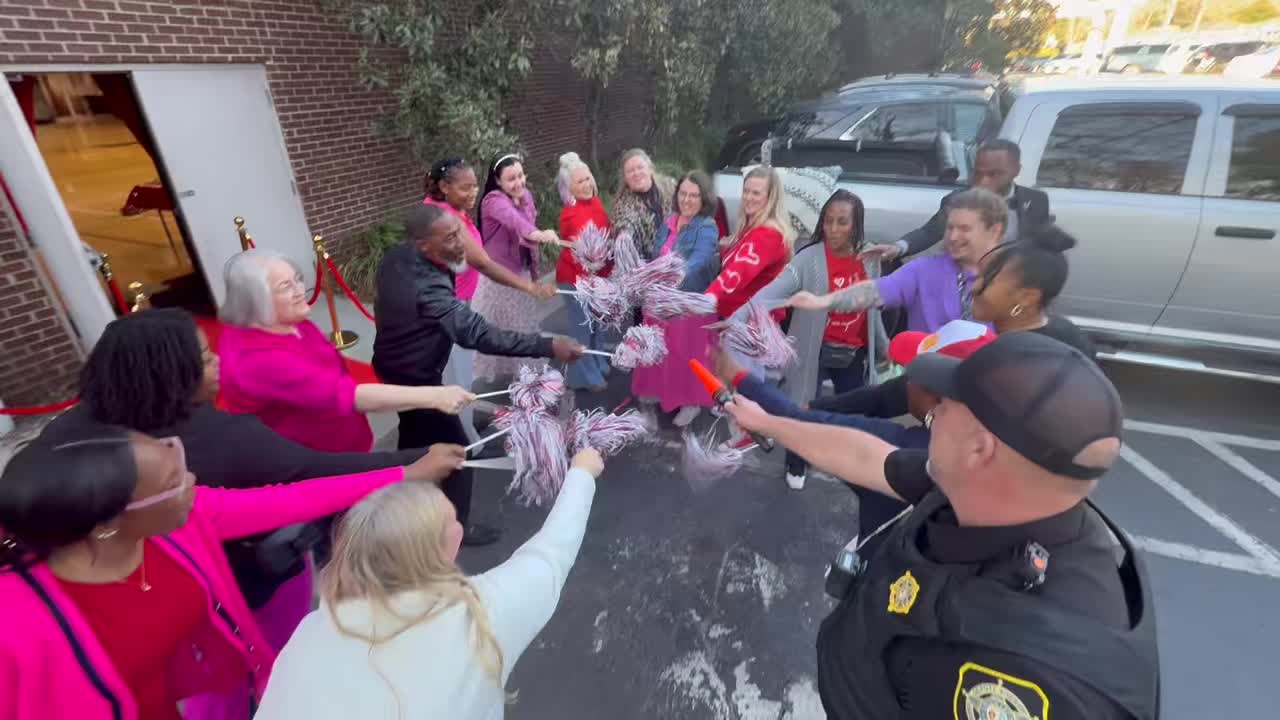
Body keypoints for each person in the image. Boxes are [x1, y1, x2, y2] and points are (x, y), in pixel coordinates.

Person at [727, 332, 1160, 720]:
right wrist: (767, 423)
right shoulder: (987, 490)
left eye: (947, 406)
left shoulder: (1023, 676)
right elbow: (866, 456)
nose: (933, 411)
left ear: (979, 448)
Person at [38, 308, 464, 655]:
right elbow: (305, 482)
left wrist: (405, 469)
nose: (218, 362)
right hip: (231, 592)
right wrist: (412, 465)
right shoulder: (214, 448)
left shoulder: (71, 432)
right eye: (205, 359)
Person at [0, 424, 457, 720]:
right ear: (106, 524)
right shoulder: (15, 625)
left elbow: (291, 499)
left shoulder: (180, 523)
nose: (193, 483)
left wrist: (406, 473)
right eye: (171, 484)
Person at [255, 448, 606, 719]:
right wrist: (582, 472)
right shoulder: (480, 615)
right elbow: (551, 552)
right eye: (452, 520)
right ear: (431, 550)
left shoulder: (313, 629)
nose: (459, 527)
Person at [373, 203, 586, 547]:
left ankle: (399, 501)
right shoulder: (425, 287)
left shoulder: (398, 258)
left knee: (414, 436)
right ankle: (456, 528)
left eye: (459, 232)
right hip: (414, 375)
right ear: (424, 246)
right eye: (450, 238)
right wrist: (549, 346)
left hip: (396, 365)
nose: (462, 244)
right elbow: (479, 334)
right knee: (459, 450)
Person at [218, 249, 475, 456]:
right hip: (318, 463)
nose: (300, 291)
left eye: (298, 279)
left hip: (346, 440)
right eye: (286, 286)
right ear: (256, 299)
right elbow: (347, 395)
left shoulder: (290, 320)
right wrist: (434, 396)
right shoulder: (259, 358)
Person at [729, 190, 882, 487]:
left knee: (855, 409)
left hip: (853, 352)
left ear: (857, 223)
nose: (833, 229)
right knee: (801, 407)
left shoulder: (869, 256)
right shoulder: (809, 259)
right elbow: (772, 291)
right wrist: (736, 318)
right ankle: (796, 462)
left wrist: (883, 346)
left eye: (842, 222)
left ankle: (845, 457)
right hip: (815, 350)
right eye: (828, 221)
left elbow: (874, 306)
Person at [787, 187, 1006, 334]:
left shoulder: (1011, 278)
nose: (953, 236)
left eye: (964, 229)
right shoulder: (923, 270)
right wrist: (824, 301)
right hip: (924, 388)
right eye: (950, 228)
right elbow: (874, 291)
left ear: (995, 231)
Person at [631, 170, 721, 427]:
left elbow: (700, 259)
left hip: (687, 304)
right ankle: (665, 392)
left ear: (704, 200)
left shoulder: (706, 226)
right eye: (683, 193)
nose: (687, 200)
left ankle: (691, 402)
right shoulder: (670, 221)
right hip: (659, 301)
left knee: (686, 354)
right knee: (661, 352)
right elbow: (656, 252)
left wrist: (672, 274)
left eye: (694, 195)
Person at [862, 139, 1051, 261]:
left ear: (1016, 171)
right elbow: (930, 232)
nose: (984, 182)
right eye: (978, 173)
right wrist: (898, 248)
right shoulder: (958, 200)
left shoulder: (1036, 201)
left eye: (994, 174)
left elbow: (1041, 249)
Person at [472, 153, 563, 384]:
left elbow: (527, 225)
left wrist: (534, 276)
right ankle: (525, 383)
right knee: (503, 332)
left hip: (520, 274)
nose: (518, 182)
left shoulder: (525, 196)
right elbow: (517, 222)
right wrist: (541, 235)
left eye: (521, 175)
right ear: (498, 181)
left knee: (522, 329)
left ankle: (528, 380)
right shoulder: (492, 201)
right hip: (498, 279)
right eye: (511, 178)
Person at [422, 157, 557, 304]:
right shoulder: (444, 218)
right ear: (444, 187)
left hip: (467, 294)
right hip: (454, 301)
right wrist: (530, 288)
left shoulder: (452, 207)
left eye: (475, 186)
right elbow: (483, 264)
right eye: (466, 188)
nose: (474, 193)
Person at [972, 223, 1096, 359]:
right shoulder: (1068, 334)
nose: (974, 288)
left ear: (1027, 298)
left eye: (988, 281)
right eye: (978, 276)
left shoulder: (1011, 359)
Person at [556, 151, 612, 392]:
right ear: (569, 188)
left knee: (597, 325)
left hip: (597, 278)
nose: (587, 185)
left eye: (588, 178)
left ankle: (597, 361)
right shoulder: (571, 214)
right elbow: (584, 253)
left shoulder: (595, 203)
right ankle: (583, 376)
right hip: (576, 279)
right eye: (580, 182)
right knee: (582, 329)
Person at [611, 148, 677, 261]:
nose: (636, 173)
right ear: (625, 178)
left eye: (640, 167)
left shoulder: (670, 186)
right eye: (630, 171)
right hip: (650, 264)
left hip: (679, 250)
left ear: (650, 169)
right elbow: (624, 223)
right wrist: (624, 235)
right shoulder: (622, 205)